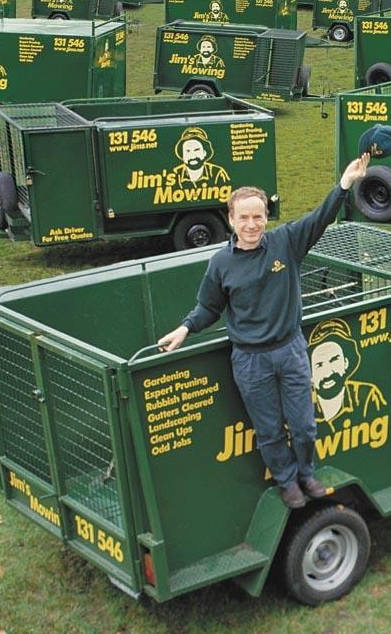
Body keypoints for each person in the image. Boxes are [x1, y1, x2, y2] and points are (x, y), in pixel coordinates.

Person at [156, 155, 371, 509]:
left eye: (258, 216)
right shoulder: (221, 264)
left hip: (290, 351)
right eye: (244, 217)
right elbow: (209, 306)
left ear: (266, 217)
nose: (252, 224)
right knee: (269, 430)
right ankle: (286, 482)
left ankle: (306, 472)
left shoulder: (286, 242)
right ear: (231, 220)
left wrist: (345, 184)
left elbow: (320, 219)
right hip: (250, 361)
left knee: (303, 425)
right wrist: (185, 328)